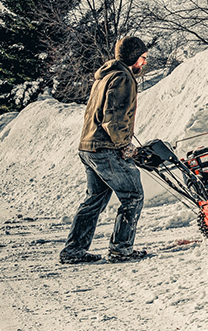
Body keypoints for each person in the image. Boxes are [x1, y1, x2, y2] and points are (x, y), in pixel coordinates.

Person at [59, 36, 148, 264]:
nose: (144, 62)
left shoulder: (104, 76)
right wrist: (124, 145)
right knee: (133, 196)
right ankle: (121, 249)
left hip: (89, 146)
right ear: (132, 57)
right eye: (142, 58)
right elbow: (113, 117)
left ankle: (73, 251)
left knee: (94, 200)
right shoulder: (122, 78)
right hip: (106, 148)